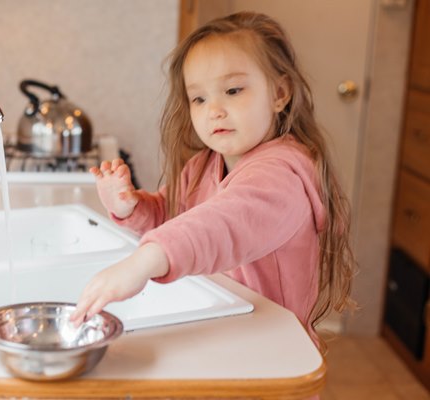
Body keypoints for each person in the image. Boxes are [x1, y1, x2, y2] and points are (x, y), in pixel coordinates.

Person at [70, 11, 356, 349]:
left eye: (233, 90)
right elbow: (172, 216)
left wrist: (143, 262)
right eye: (199, 98)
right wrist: (133, 207)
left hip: (268, 358)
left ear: (280, 93)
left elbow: (220, 226)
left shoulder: (281, 178)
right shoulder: (205, 165)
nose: (213, 110)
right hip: (227, 337)